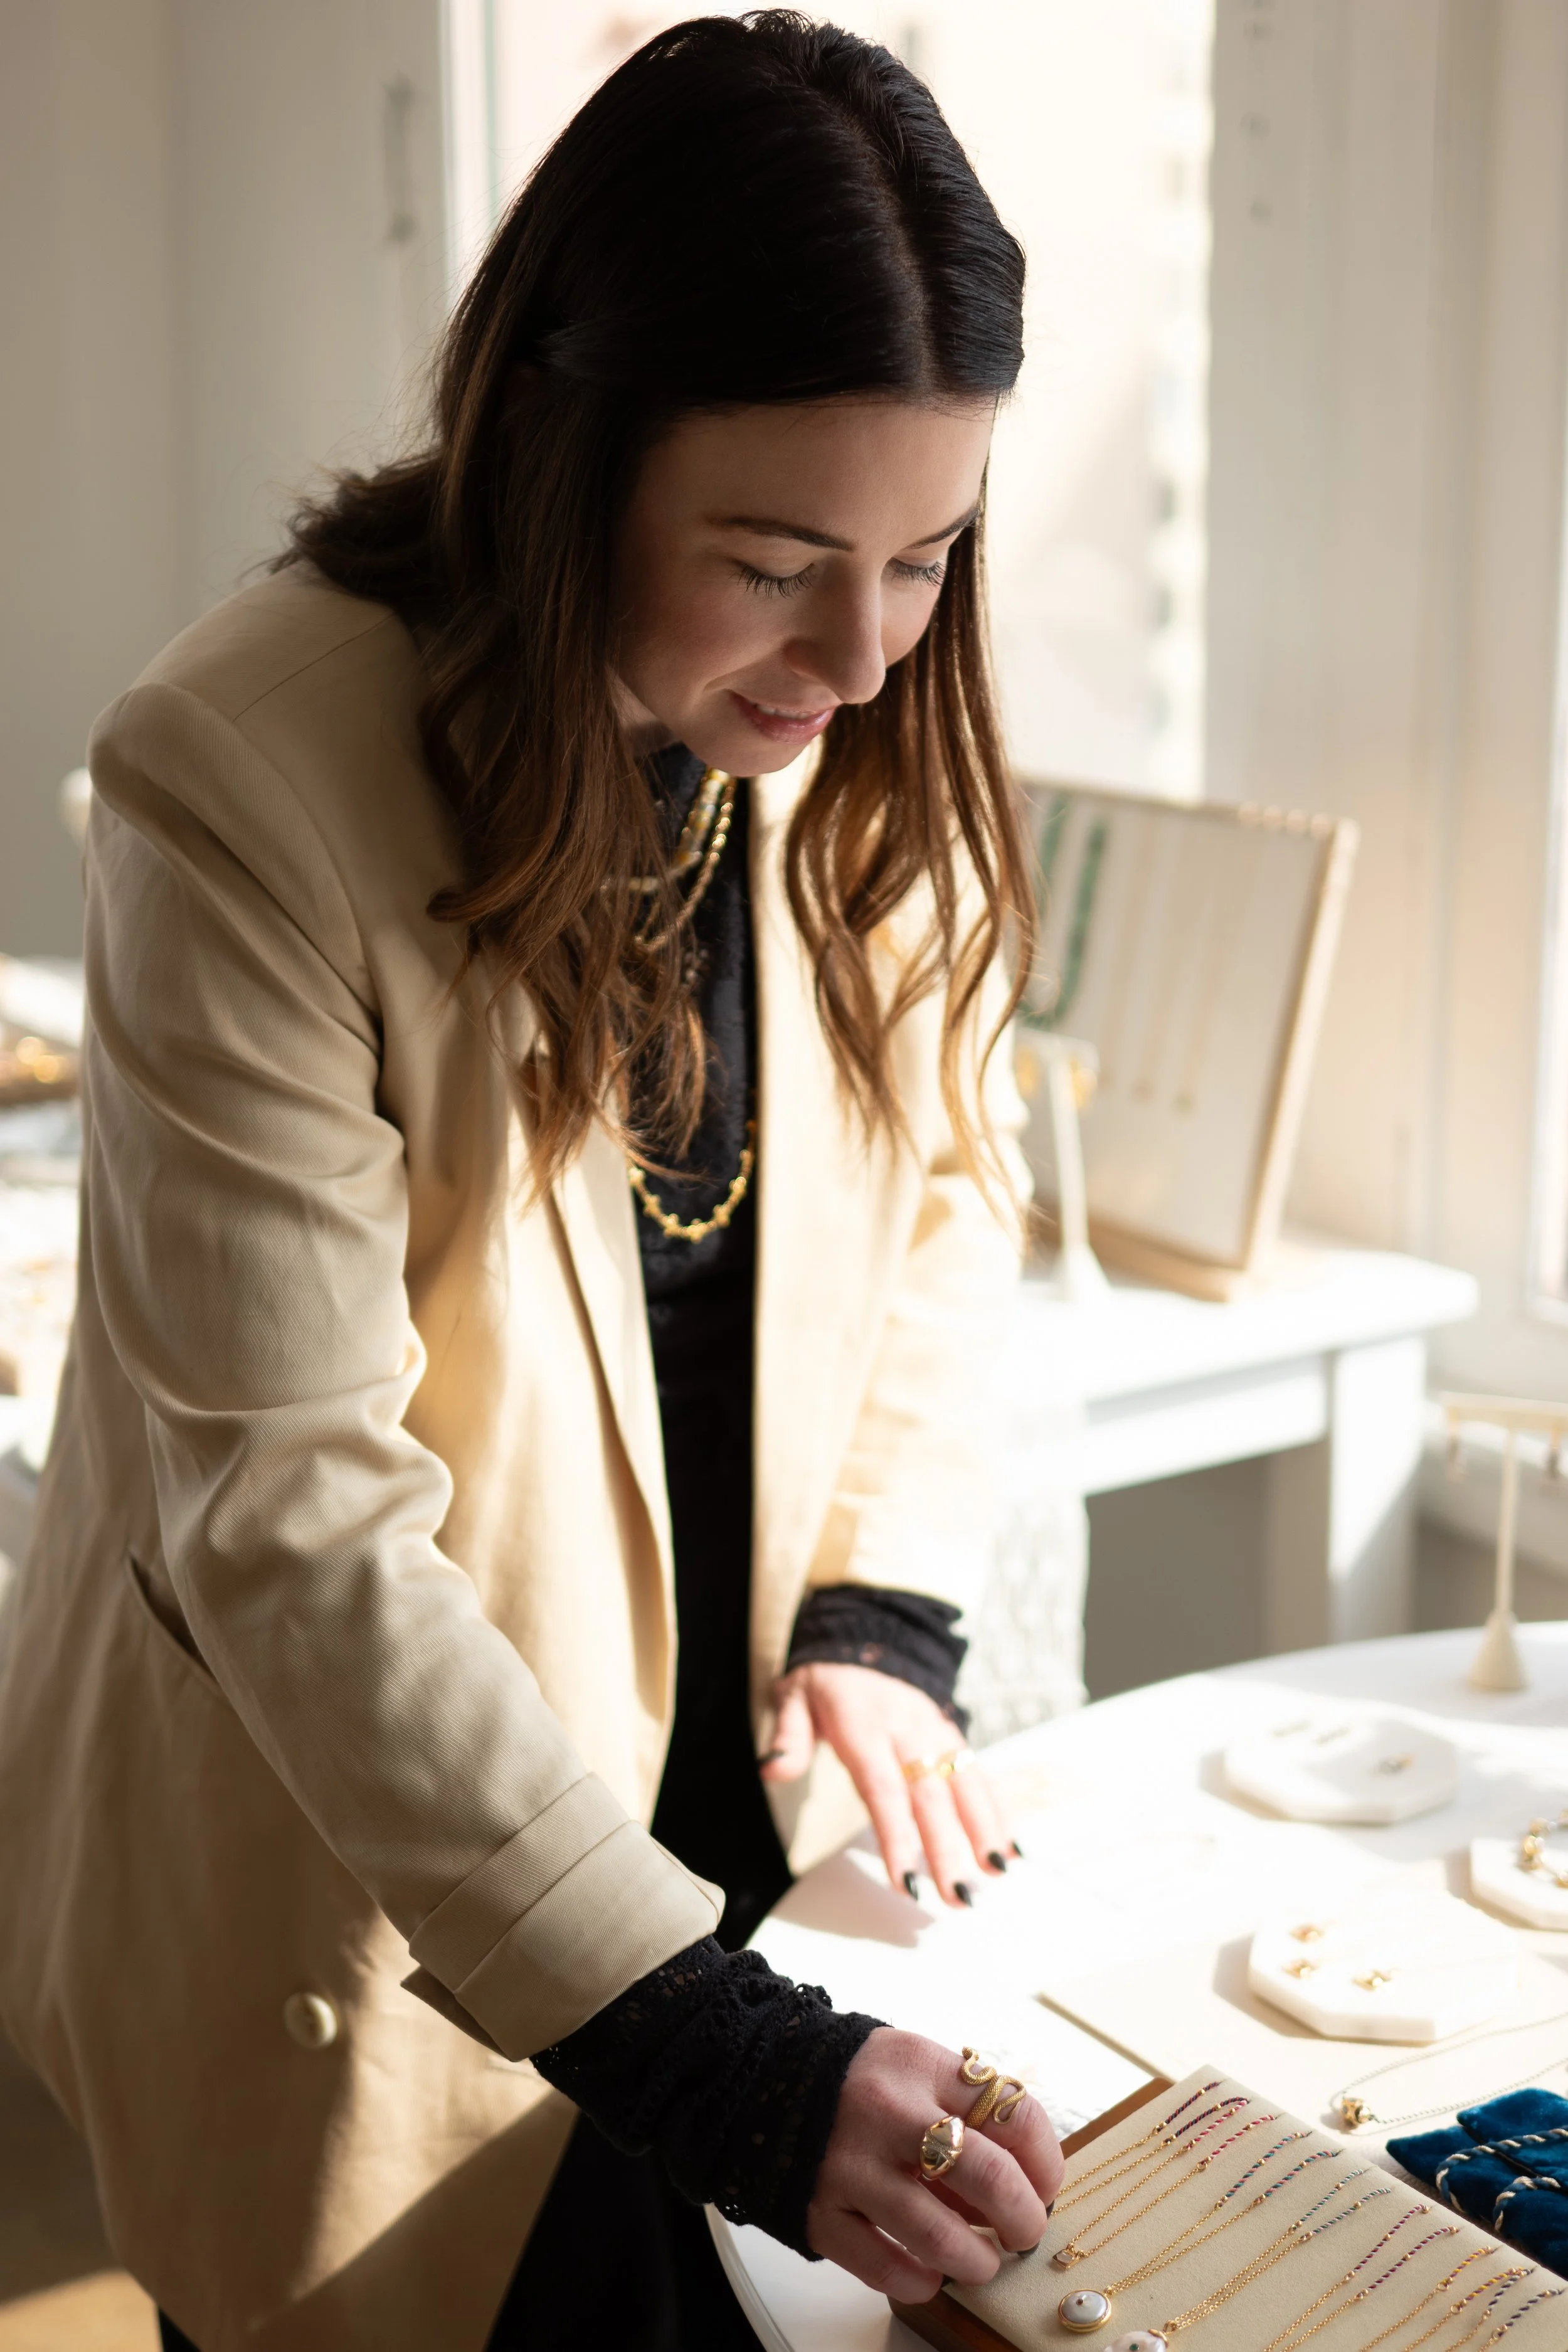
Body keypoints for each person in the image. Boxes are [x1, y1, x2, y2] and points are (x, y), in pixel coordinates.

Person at [0, 13, 1064, 2349]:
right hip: (383, 1872)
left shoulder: (840, 716)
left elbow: (951, 1191)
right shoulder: (243, 779)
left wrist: (876, 1607)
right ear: (566, 460)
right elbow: (291, 1523)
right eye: (779, 560)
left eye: (924, 557)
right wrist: (715, 2053)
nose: (864, 654)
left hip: (740, 1833)